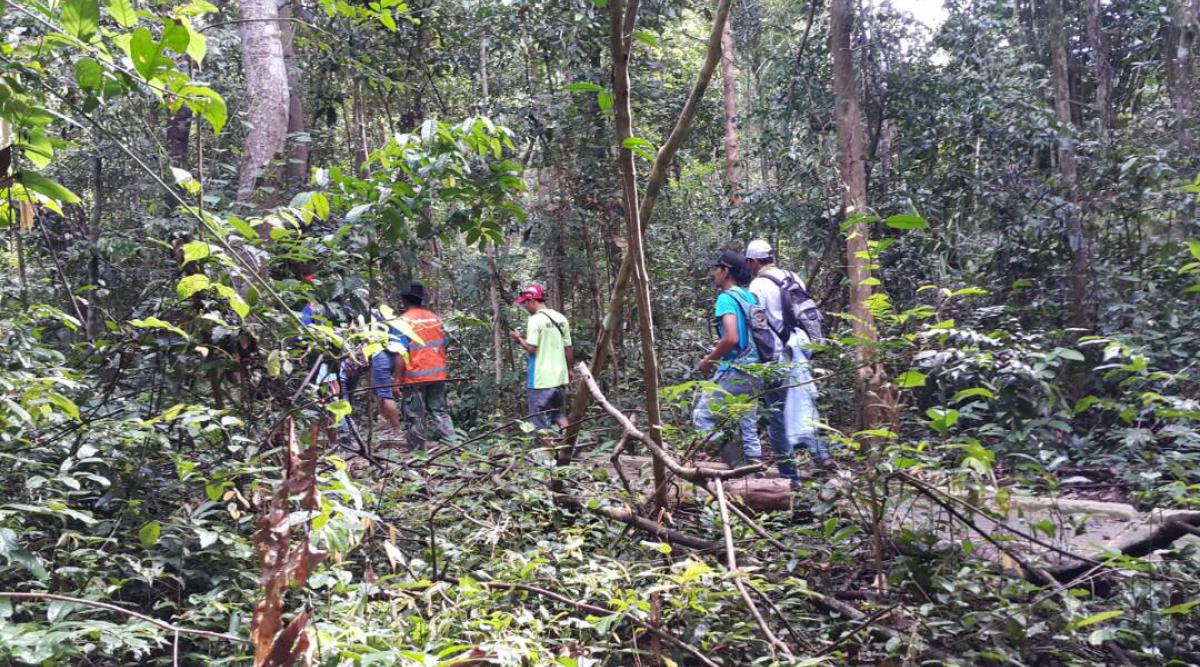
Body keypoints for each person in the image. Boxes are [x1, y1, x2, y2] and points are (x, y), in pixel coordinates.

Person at [744, 239, 833, 479]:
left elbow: (759, 326)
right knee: (804, 405)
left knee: (777, 417)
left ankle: (789, 477)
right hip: (800, 350)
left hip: (778, 356)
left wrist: (761, 360)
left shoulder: (757, 287)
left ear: (753, 262)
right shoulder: (793, 276)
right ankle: (821, 456)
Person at [693, 250, 764, 469]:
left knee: (703, 415)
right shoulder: (749, 297)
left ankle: (738, 467)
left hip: (737, 369)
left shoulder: (726, 298)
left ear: (725, 272)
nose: (714, 273)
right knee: (747, 421)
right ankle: (755, 468)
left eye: (716, 269)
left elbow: (732, 337)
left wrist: (708, 361)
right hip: (758, 368)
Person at [393, 283, 456, 448]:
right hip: (438, 374)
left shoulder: (403, 321)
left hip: (416, 376)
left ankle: (418, 450)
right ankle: (452, 443)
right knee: (439, 410)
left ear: (404, 300)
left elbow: (400, 353)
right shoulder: (435, 318)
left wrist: (397, 380)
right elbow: (444, 344)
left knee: (415, 414)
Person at [508, 284, 573, 431]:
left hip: (540, 380)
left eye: (525, 303)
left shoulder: (535, 320)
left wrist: (518, 339)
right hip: (559, 379)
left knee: (538, 422)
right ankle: (569, 446)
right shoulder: (560, 318)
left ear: (532, 301)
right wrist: (570, 370)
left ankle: (549, 454)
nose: (525, 306)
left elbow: (532, 349)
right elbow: (568, 348)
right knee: (558, 415)